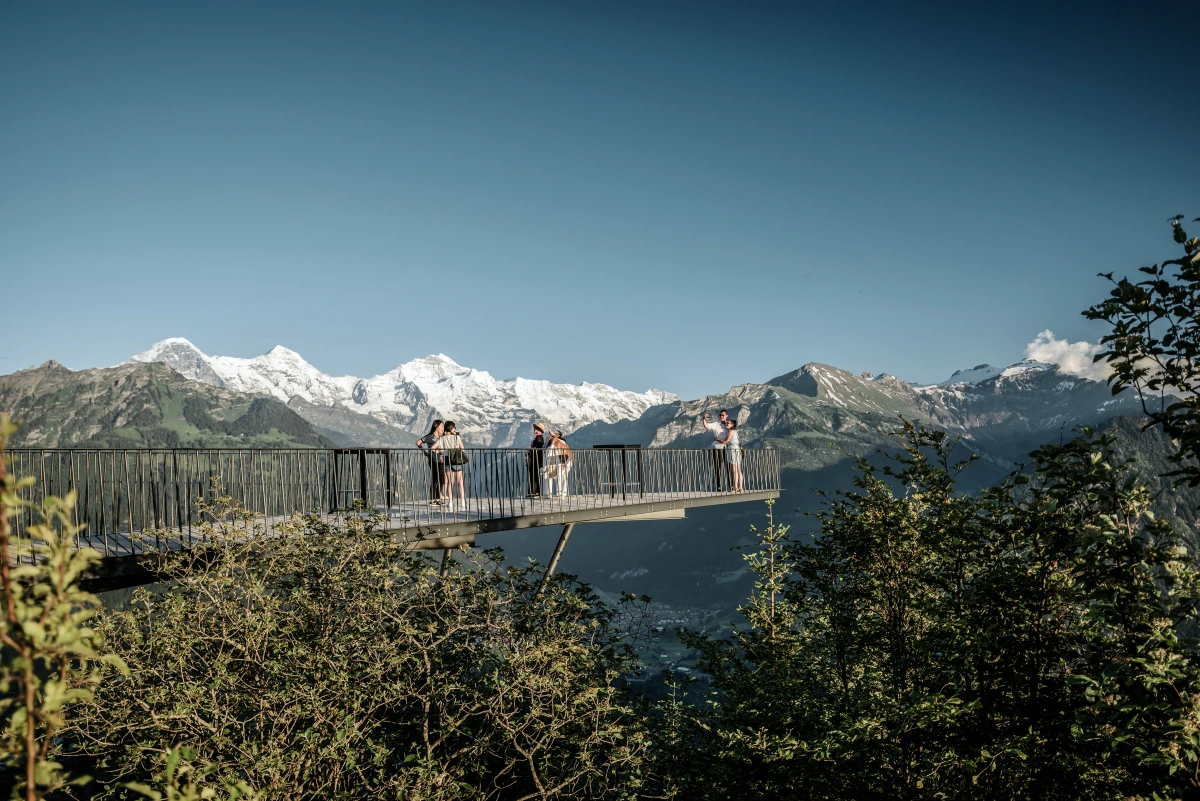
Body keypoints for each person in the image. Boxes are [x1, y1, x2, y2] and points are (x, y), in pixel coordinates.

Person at [432, 421, 468, 509]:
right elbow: (462, 449)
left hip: (447, 460)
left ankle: (451, 502)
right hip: (456, 460)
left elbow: (432, 448)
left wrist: (441, 453)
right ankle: (463, 501)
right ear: (452, 428)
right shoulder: (457, 437)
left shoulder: (442, 438)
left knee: (449, 482)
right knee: (460, 482)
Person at [416, 419, 445, 505]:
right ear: (436, 427)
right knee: (435, 479)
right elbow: (418, 443)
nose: (443, 428)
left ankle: (437, 498)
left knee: (441, 479)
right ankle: (433, 499)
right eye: (442, 426)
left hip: (442, 460)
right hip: (433, 460)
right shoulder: (429, 437)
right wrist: (425, 452)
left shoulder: (441, 437)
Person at [699, 409, 730, 491]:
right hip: (717, 447)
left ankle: (731, 485)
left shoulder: (728, 424)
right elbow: (707, 426)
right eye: (720, 415)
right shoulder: (716, 424)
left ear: (726, 416)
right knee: (718, 467)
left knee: (728, 467)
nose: (721, 417)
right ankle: (719, 486)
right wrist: (704, 419)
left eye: (723, 415)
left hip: (726, 448)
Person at [716, 419, 744, 493]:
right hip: (736, 449)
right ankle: (740, 487)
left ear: (732, 425)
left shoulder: (731, 432)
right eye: (727, 423)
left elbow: (725, 441)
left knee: (734, 469)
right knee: (738, 469)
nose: (727, 424)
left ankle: (735, 487)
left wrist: (717, 439)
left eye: (728, 423)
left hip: (732, 449)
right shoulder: (735, 432)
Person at [542, 431, 573, 498]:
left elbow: (552, 443)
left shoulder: (554, 442)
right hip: (559, 461)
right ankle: (561, 493)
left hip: (554, 461)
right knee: (562, 476)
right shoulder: (563, 444)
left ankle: (548, 493)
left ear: (558, 435)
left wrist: (552, 443)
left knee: (552, 476)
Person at [526, 422, 546, 498]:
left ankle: (533, 492)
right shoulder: (539, 437)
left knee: (533, 475)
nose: (534, 430)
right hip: (536, 458)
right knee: (534, 475)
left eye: (535, 429)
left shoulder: (539, 438)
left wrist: (530, 450)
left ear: (538, 430)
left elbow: (537, 448)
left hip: (536, 459)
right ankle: (535, 492)